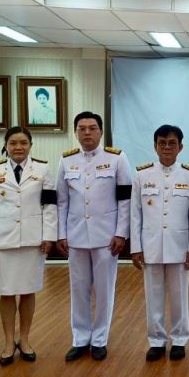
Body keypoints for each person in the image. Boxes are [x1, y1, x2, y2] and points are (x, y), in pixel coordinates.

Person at [57, 111, 132, 362]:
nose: (87, 132)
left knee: (104, 290)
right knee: (78, 290)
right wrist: (61, 234)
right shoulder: (66, 160)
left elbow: (125, 199)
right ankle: (80, 339)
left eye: (92, 128)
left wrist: (121, 233)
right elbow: (62, 202)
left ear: (100, 131)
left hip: (106, 237)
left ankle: (99, 339)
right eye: (82, 128)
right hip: (76, 235)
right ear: (75, 132)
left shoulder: (117, 158)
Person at [0, 126, 57, 365]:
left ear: (30, 145)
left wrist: (49, 236)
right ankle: (7, 342)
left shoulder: (43, 169)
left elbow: (50, 206)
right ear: (6, 146)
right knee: (6, 292)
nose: (18, 147)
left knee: (27, 290)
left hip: (33, 240)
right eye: (13, 143)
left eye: (23, 143)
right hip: (3, 241)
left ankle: (24, 339)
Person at [131, 125, 189, 362]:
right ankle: (156, 340)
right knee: (153, 296)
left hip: (180, 245)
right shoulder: (142, 175)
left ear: (181, 147)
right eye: (162, 143)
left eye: (172, 143)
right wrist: (136, 248)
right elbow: (135, 214)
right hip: (150, 245)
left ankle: (179, 339)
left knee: (180, 296)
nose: (167, 147)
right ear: (155, 146)